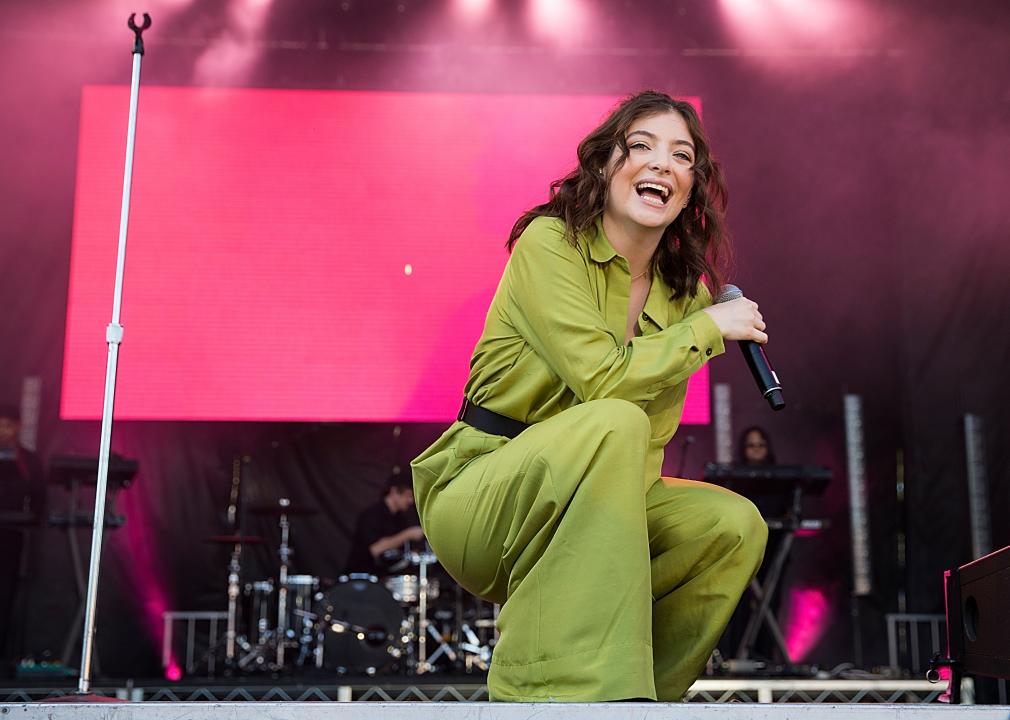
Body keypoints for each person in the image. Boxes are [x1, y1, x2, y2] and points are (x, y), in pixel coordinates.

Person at [411, 91, 769, 702]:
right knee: (613, 421)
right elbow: (602, 379)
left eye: (681, 157)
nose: (661, 164)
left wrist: (700, 320)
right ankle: (553, 693)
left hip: (600, 502)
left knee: (733, 525)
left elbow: (649, 437)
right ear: (605, 165)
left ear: (689, 190)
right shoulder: (549, 244)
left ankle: (641, 697)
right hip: (484, 494)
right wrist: (708, 332)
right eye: (642, 146)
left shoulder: (685, 296)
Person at [0, 404, 44, 676]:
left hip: (12, 538)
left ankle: (4, 660)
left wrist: (31, 518)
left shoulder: (27, 460)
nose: (3, 431)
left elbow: (39, 497)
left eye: (8, 425)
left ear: (17, 427)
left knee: (5, 598)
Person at [344, 473, 424, 577]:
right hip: (361, 578)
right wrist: (408, 534)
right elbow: (376, 549)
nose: (411, 501)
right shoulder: (372, 515)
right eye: (408, 495)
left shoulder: (400, 519)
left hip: (384, 578)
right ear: (394, 491)